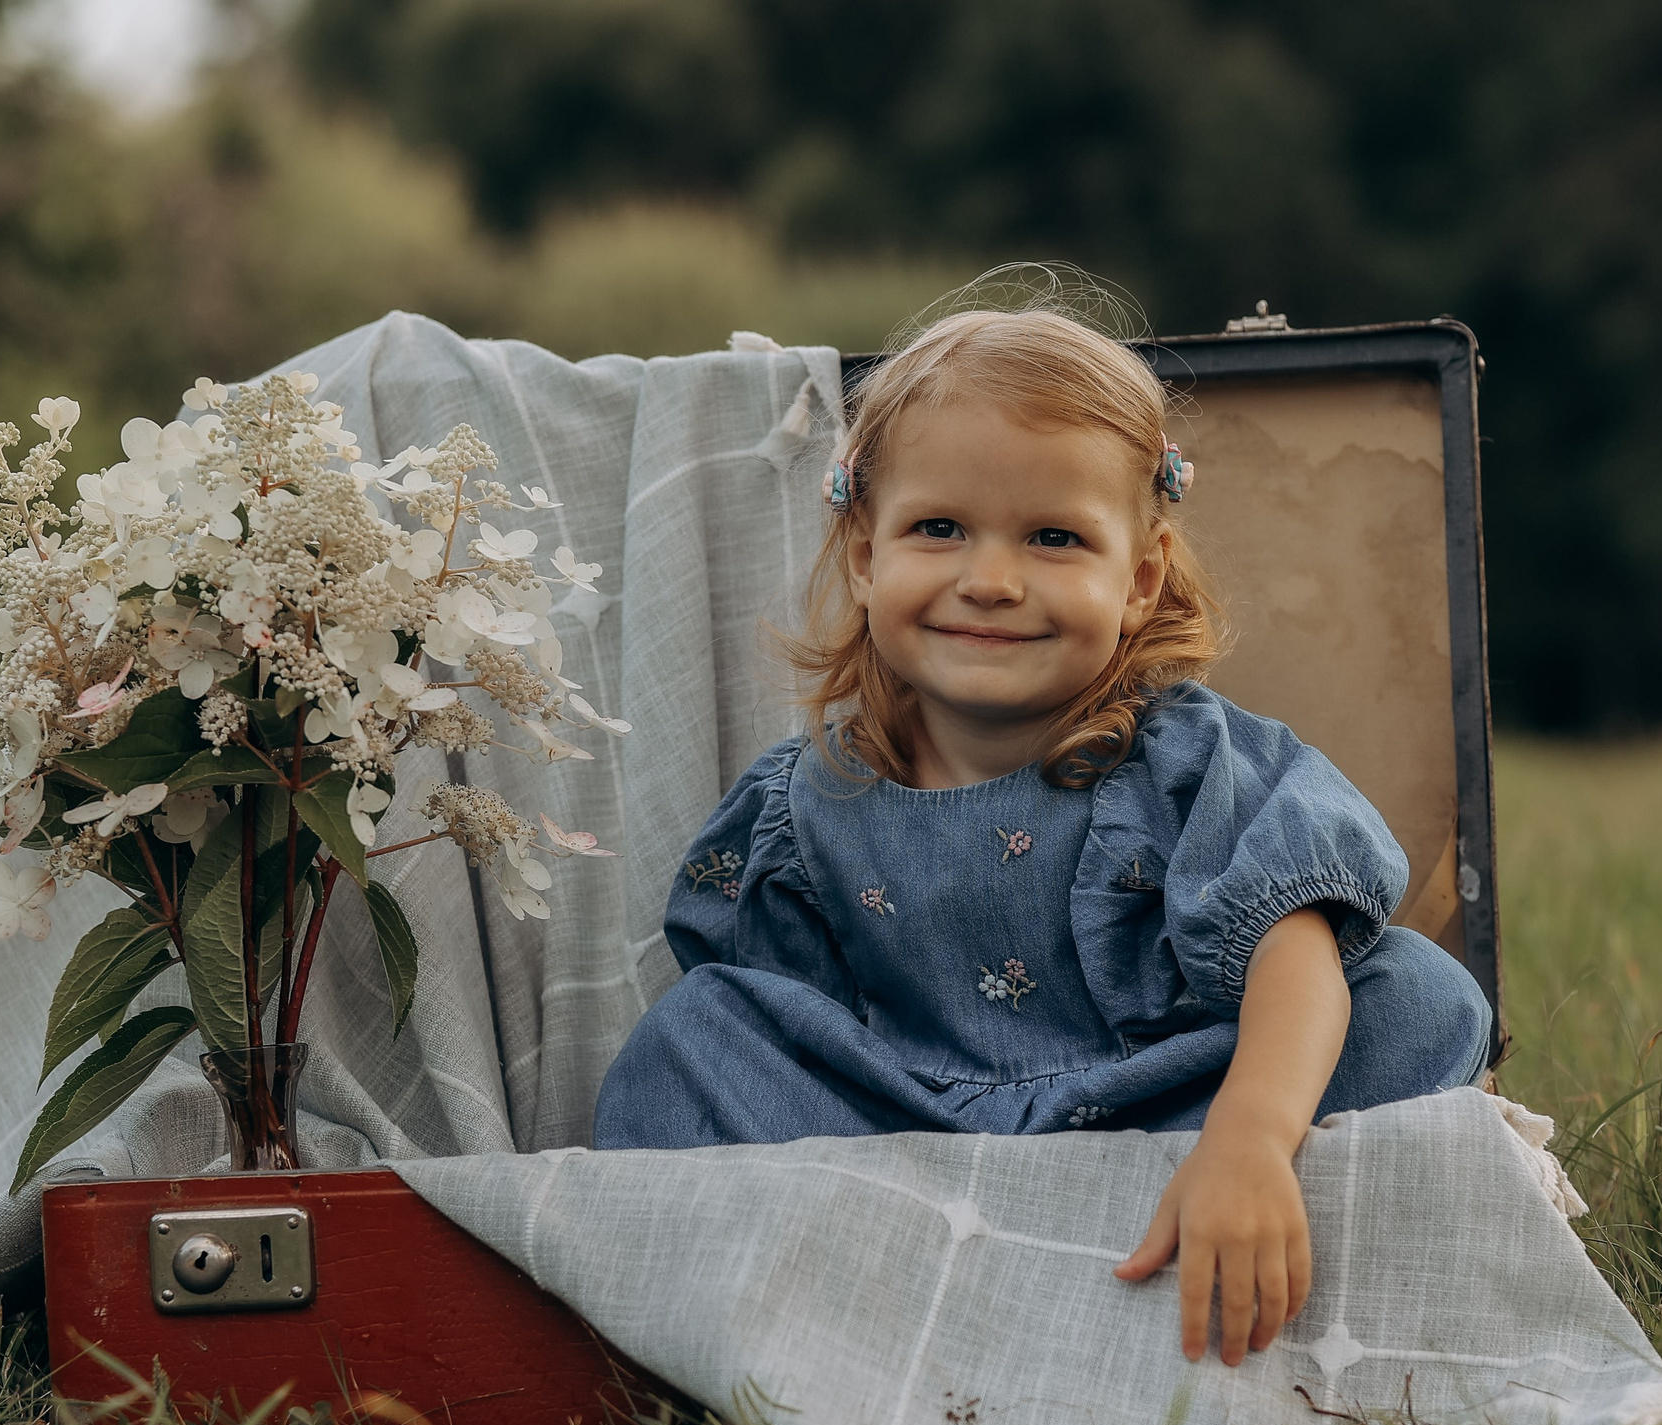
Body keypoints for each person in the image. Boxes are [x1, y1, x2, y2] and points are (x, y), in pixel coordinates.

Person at [591, 305, 1495, 1367]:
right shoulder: (805, 801)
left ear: (1140, 579)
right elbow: (787, 1020)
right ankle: (876, 1266)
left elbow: (1293, 947)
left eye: (1054, 538)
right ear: (865, 557)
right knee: (692, 1035)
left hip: (1163, 1111)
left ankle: (1196, 1207)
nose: (990, 580)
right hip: (901, 1131)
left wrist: (1251, 1133)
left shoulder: (1182, 758)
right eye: (939, 528)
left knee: (1415, 995)